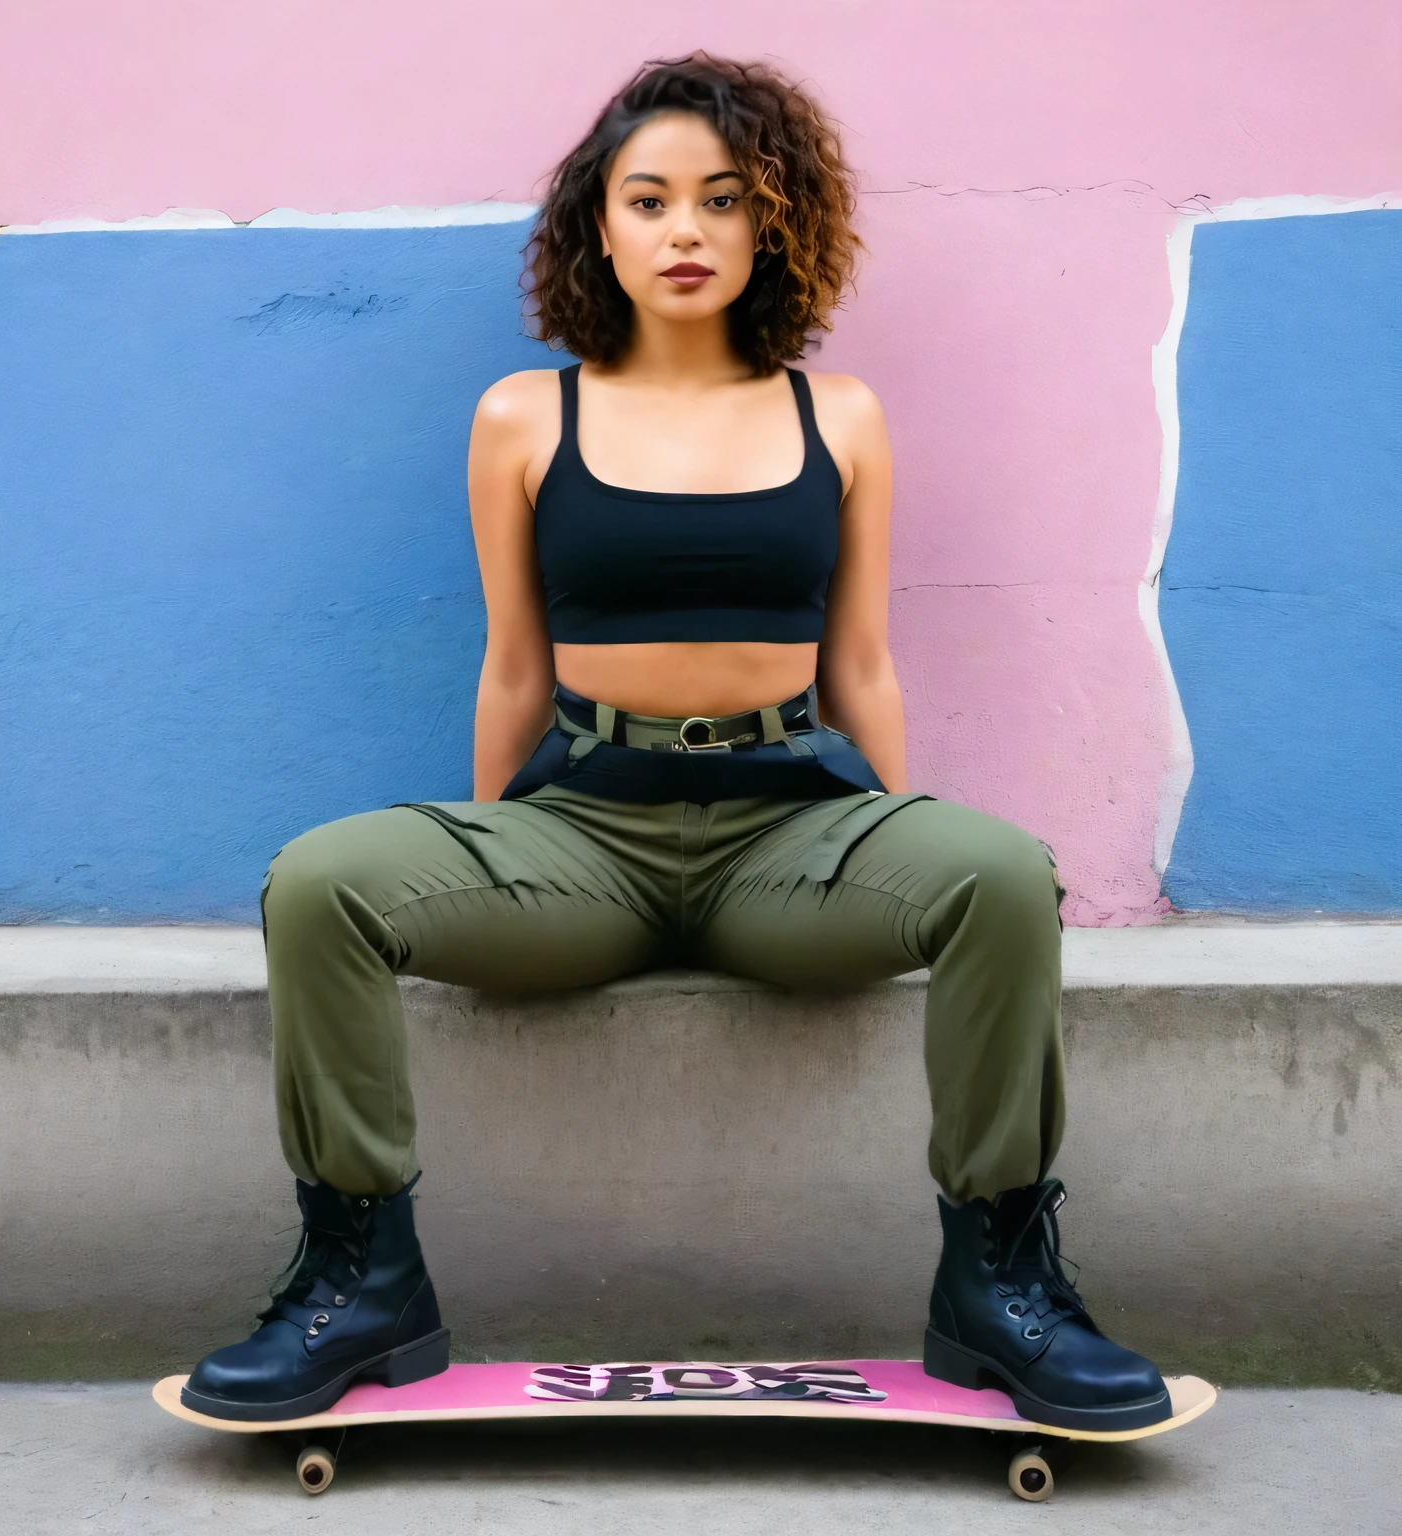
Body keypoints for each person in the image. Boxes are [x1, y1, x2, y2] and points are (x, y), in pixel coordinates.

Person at [182, 53, 1171, 1433]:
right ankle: (364, 1282)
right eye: (650, 200)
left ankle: (998, 1286)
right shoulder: (528, 415)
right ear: (601, 226)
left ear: (774, 222)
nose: (687, 230)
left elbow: (863, 663)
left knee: (1001, 871)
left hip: (788, 837)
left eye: (721, 198)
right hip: (583, 836)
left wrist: (892, 839)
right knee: (321, 879)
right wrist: (492, 850)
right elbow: (516, 662)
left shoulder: (842, 416)